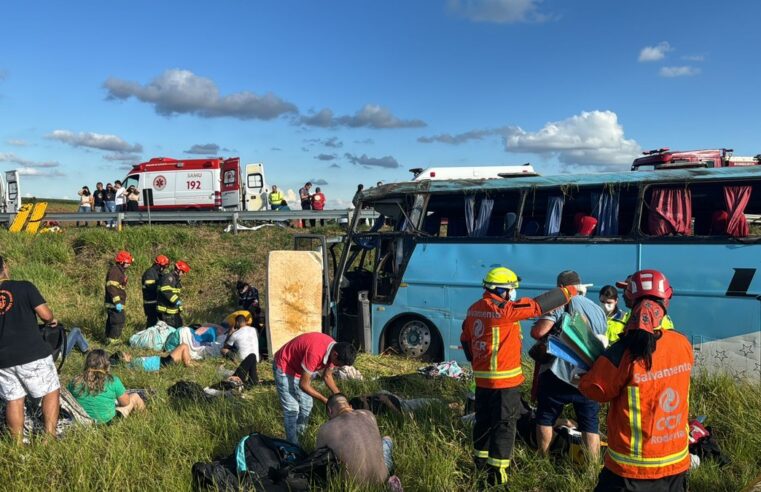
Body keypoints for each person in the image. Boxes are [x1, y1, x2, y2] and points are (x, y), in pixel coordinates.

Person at [461, 266, 582, 486]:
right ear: (501, 291)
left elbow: (465, 339)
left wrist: (480, 363)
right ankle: (498, 477)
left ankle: (479, 468)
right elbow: (535, 306)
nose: (514, 293)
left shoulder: (473, 309)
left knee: (484, 423)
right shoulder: (503, 310)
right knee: (504, 427)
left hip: (482, 382)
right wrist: (568, 292)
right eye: (512, 289)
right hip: (504, 383)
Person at [579, 270, 693, 491]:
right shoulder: (683, 344)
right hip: (675, 463)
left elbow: (595, 390)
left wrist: (584, 375)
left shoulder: (623, 352)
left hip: (630, 469)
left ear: (632, 301)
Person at [530, 270, 607, 460]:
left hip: (559, 372)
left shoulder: (561, 303)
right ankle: (591, 468)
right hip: (588, 374)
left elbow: (539, 332)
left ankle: (544, 459)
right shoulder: (598, 309)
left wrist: (536, 326)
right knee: (590, 424)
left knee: (545, 418)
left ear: (561, 288)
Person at [0, 255, 61, 442]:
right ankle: (48, 437)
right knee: (51, 390)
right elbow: (45, 314)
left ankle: (17, 444)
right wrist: (51, 320)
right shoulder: (24, 287)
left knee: (14, 399)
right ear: (5, 267)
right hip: (32, 352)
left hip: (3, 359)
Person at [272, 332, 357, 444]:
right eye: (338, 364)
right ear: (335, 355)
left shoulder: (334, 351)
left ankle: (300, 437)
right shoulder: (315, 352)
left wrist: (340, 397)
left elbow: (327, 376)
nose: (337, 367)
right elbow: (304, 385)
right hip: (285, 366)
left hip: (299, 369)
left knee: (307, 405)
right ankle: (293, 447)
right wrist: (326, 401)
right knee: (292, 410)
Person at [316, 393, 391, 486]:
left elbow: (318, 462)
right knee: (387, 439)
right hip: (382, 478)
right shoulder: (369, 415)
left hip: (350, 485)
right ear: (350, 407)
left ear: (330, 411)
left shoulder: (325, 429)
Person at [68, 350, 145, 424]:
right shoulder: (113, 381)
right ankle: (144, 419)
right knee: (135, 396)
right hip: (108, 422)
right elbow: (126, 402)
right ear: (107, 364)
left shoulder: (75, 381)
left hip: (82, 422)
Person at [221, 315, 260, 388]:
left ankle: (235, 360)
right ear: (245, 322)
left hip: (243, 359)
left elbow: (225, 346)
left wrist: (230, 333)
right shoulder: (254, 330)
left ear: (237, 322)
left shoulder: (235, 334)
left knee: (223, 350)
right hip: (256, 358)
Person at [105, 251, 133, 344]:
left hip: (116, 303)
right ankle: (113, 341)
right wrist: (117, 302)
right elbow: (111, 287)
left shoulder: (119, 271)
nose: (129, 264)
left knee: (113, 321)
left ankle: (108, 339)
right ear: (122, 262)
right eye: (127, 263)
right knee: (118, 321)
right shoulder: (115, 271)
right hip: (115, 303)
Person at [111, 343, 196, 372]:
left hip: (163, 361)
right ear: (122, 359)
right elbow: (150, 370)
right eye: (125, 354)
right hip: (164, 363)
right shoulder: (133, 364)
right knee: (184, 346)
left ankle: (189, 363)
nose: (128, 354)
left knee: (182, 352)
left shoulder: (131, 364)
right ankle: (188, 364)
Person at [157, 261, 190, 328]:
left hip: (173, 311)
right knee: (171, 331)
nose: (183, 274)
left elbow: (175, 294)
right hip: (167, 312)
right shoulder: (168, 278)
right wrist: (176, 300)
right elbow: (165, 291)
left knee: (179, 328)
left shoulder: (176, 280)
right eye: (183, 272)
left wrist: (179, 307)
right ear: (178, 270)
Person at [142, 255, 170, 328]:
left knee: (162, 321)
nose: (164, 268)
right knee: (152, 322)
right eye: (163, 266)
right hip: (150, 302)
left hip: (157, 302)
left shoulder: (158, 273)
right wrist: (160, 287)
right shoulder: (150, 273)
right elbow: (150, 287)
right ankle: (148, 337)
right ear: (158, 264)